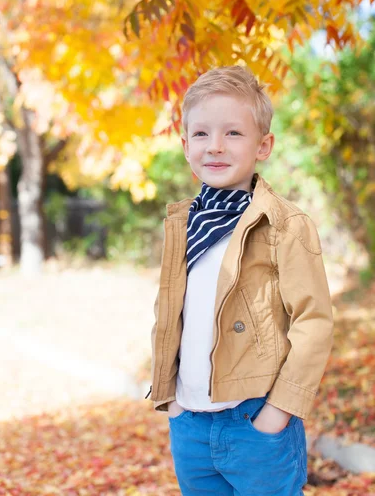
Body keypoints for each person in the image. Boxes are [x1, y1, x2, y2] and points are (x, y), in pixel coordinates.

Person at [145, 65, 334, 495]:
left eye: (233, 133)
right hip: (190, 423)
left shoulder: (285, 224)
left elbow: (314, 321)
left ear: (262, 145)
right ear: (185, 144)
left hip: (255, 422)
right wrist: (170, 400)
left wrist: (278, 412)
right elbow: (169, 310)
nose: (215, 146)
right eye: (201, 134)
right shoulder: (183, 222)